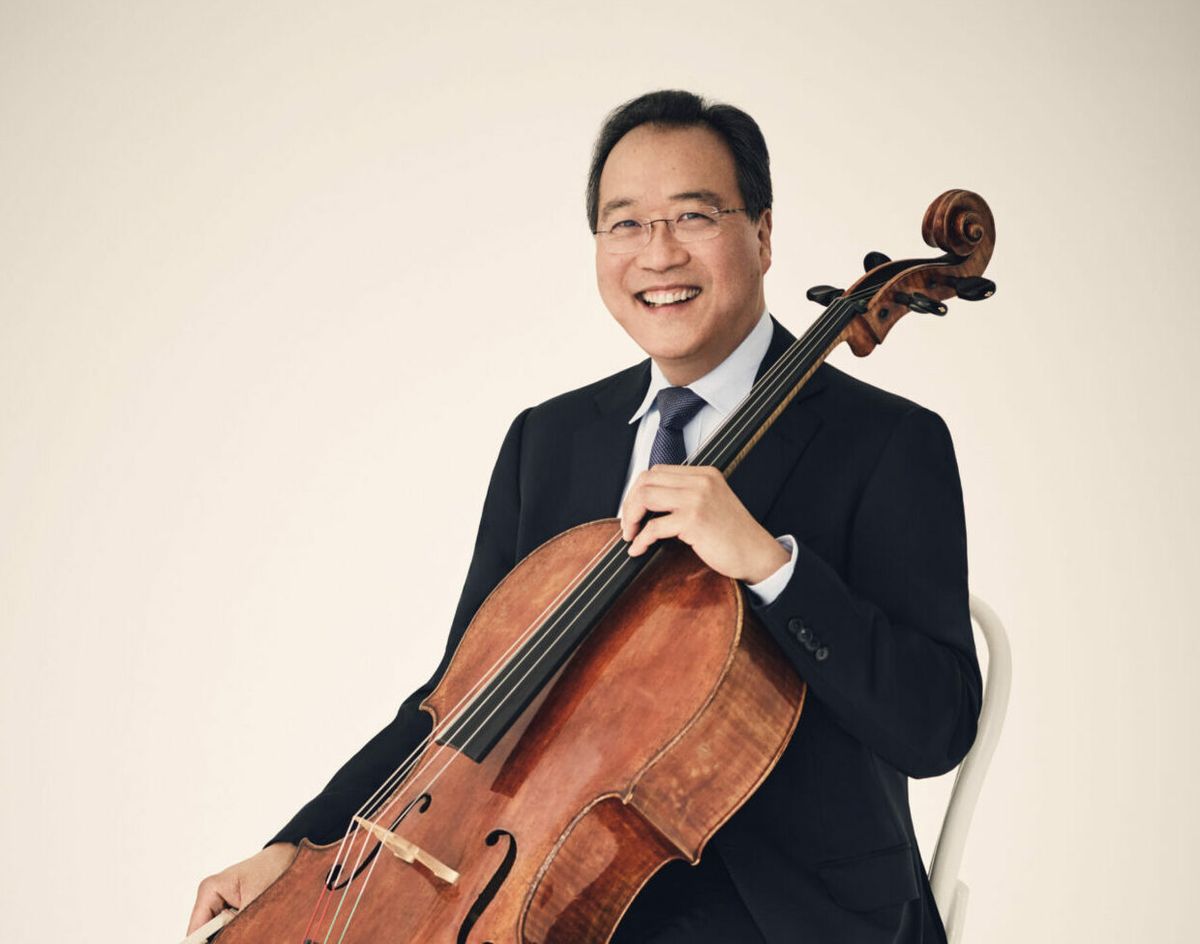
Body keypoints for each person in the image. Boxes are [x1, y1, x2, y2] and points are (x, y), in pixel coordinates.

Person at [188, 89, 982, 944]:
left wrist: (769, 565)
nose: (658, 253)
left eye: (694, 216)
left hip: (792, 911)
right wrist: (300, 843)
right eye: (625, 224)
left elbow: (935, 727)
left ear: (762, 234)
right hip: (560, 879)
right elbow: (456, 699)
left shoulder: (886, 442)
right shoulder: (550, 440)